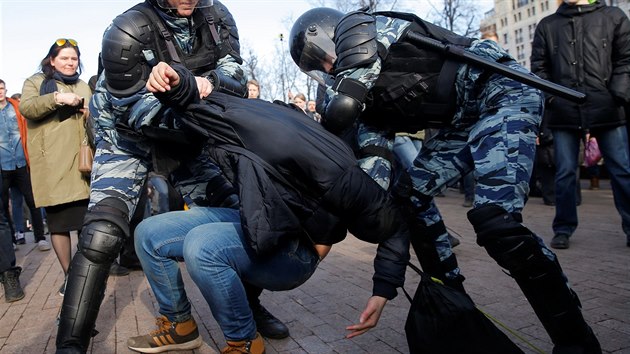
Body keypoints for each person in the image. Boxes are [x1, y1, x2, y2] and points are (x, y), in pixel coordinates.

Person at [289, 7, 600, 352]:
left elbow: (350, 91)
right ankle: (454, 302)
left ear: (329, 35)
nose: (326, 69)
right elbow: (374, 179)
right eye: (316, 68)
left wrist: (332, 122)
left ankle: (575, 339)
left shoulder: (364, 28)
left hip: (501, 92)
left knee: (495, 222)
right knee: (407, 197)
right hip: (460, 122)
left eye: (322, 58)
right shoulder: (365, 102)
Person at [126, 62, 409, 354]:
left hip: (297, 252)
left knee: (203, 246)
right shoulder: (252, 117)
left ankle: (245, 342)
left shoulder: (333, 170)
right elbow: (201, 105)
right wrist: (176, 80)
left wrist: (382, 291)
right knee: (149, 234)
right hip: (262, 220)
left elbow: (395, 225)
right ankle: (179, 326)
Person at [55, 1, 287, 352]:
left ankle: (248, 309)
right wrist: (188, 94)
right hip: (127, 136)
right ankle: (71, 341)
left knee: (241, 217)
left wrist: (205, 84)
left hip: (188, 137)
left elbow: (236, 76)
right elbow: (134, 112)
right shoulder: (127, 29)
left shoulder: (215, 17)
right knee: (101, 235)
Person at [531, 0, 630, 250]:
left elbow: (626, 58)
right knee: (564, 172)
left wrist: (617, 95)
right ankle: (563, 228)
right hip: (564, 111)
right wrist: (553, 98)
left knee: (621, 170)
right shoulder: (548, 25)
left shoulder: (613, 16)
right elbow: (539, 68)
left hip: (608, 107)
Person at [19, 38, 92, 296]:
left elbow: (97, 114)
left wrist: (89, 111)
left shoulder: (83, 85)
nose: (70, 63)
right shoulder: (37, 82)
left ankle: (87, 274)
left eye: (74, 59)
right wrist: (58, 97)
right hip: (53, 166)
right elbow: (27, 108)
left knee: (88, 223)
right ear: (52, 60)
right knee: (60, 224)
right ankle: (69, 275)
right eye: (64, 58)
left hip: (83, 165)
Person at [0, 79, 50, 252]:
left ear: (6, 89)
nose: (0, 91)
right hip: (3, 165)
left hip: (21, 161)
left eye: (1, 88)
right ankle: (11, 239)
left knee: (32, 200)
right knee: (4, 205)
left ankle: (40, 237)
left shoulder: (16, 107)